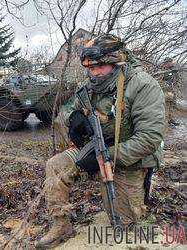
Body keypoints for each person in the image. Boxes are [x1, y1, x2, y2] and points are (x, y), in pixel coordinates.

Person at [36, 34, 165, 248]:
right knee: (56, 165)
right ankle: (61, 224)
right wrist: (74, 119)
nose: (93, 73)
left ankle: (142, 191)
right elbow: (69, 111)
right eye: (89, 68)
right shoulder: (91, 84)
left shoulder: (143, 86)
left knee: (123, 224)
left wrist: (106, 157)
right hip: (94, 148)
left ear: (116, 62)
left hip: (130, 158)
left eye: (98, 67)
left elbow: (149, 138)